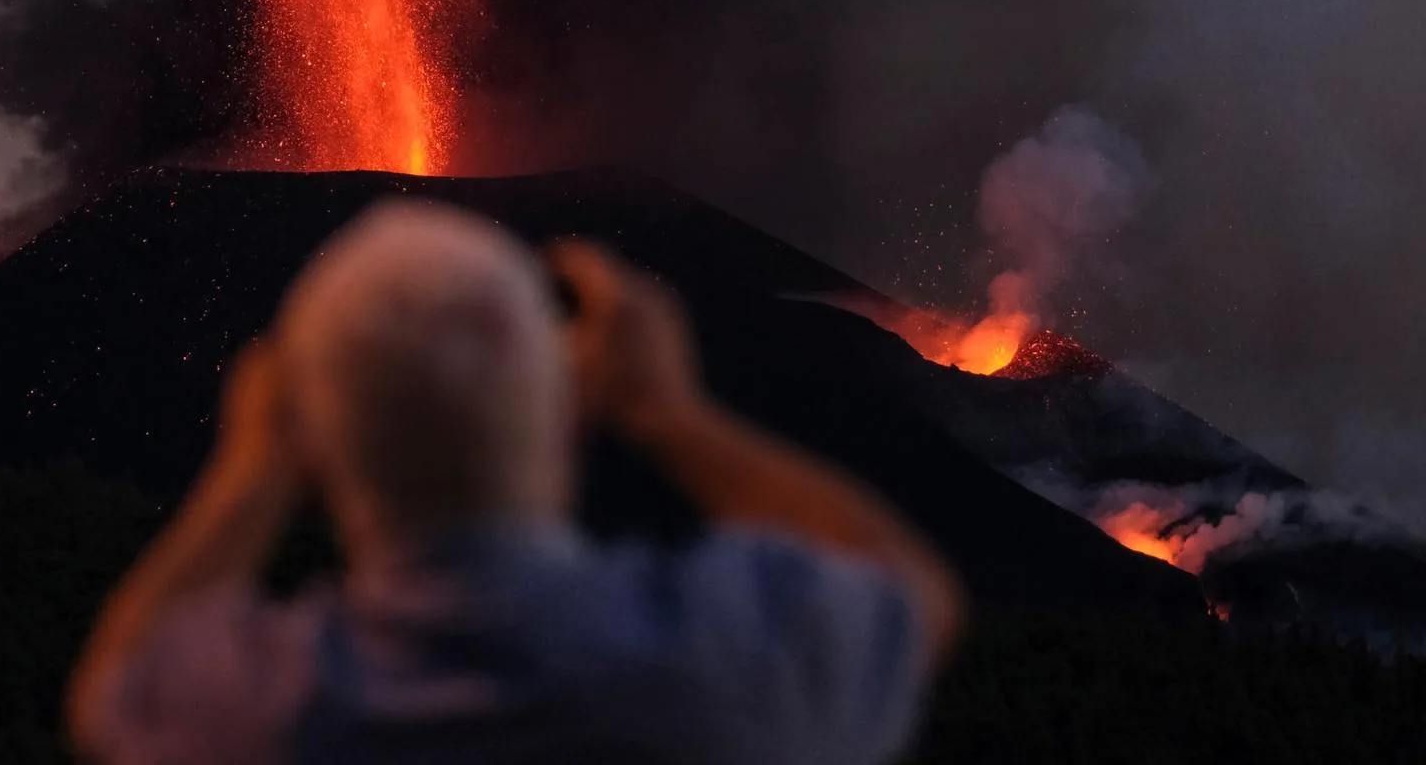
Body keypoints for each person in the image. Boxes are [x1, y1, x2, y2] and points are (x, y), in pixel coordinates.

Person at [68, 201, 964, 765]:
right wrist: (670, 415)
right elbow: (904, 590)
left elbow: (117, 685)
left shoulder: (260, 712)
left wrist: (253, 466)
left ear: (320, 446)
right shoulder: (722, 673)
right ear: (568, 411)